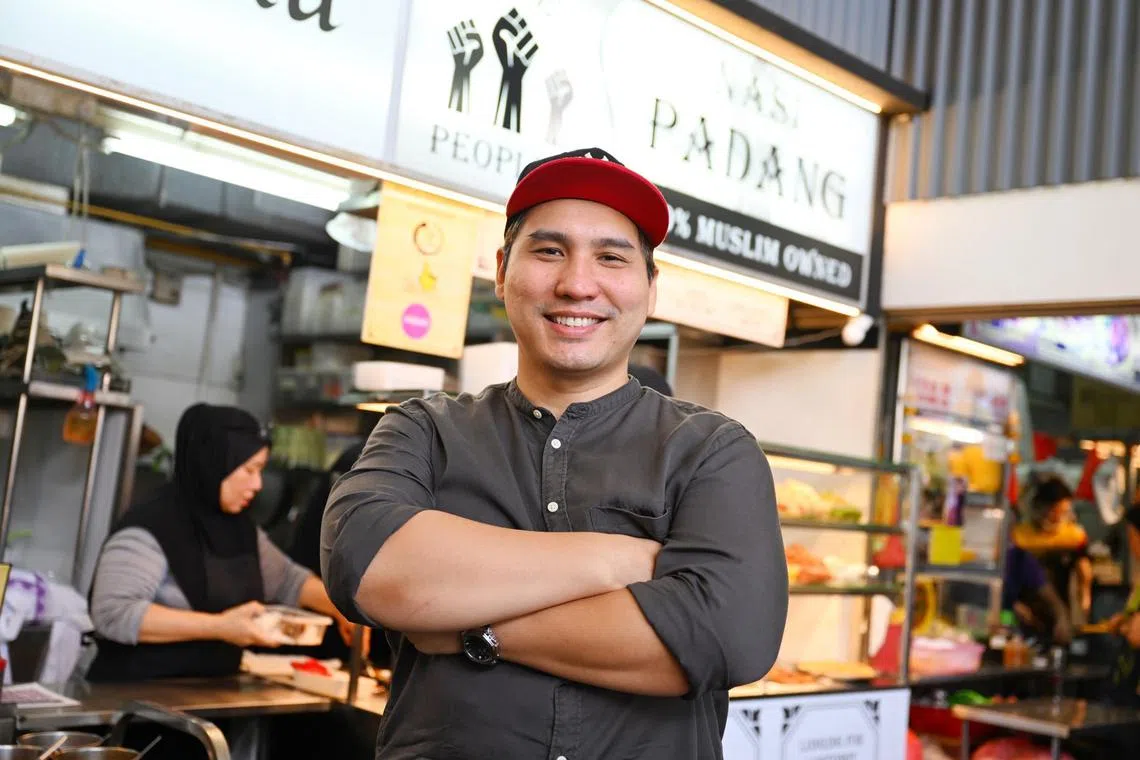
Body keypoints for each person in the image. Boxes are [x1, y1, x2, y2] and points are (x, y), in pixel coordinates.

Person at [322, 147, 788, 759]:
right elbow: (366, 566)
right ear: (501, 270)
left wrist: (470, 628)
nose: (576, 283)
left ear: (650, 288)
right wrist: (620, 561)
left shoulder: (712, 452)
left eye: (612, 257)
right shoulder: (424, 430)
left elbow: (728, 638)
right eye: (548, 251)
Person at [87, 403, 354, 682]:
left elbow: (289, 581)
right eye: (250, 470)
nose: (258, 484)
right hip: (136, 696)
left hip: (208, 695)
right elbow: (112, 613)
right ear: (214, 463)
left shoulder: (238, 528)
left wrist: (342, 608)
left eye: (261, 470)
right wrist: (220, 627)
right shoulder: (150, 527)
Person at [1011, 472, 1093, 627]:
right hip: (1023, 610)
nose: (1057, 517)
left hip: (1059, 612)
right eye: (1053, 511)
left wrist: (1084, 603)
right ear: (1038, 506)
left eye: (1062, 512)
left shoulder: (1073, 536)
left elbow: (1084, 571)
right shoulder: (1020, 536)